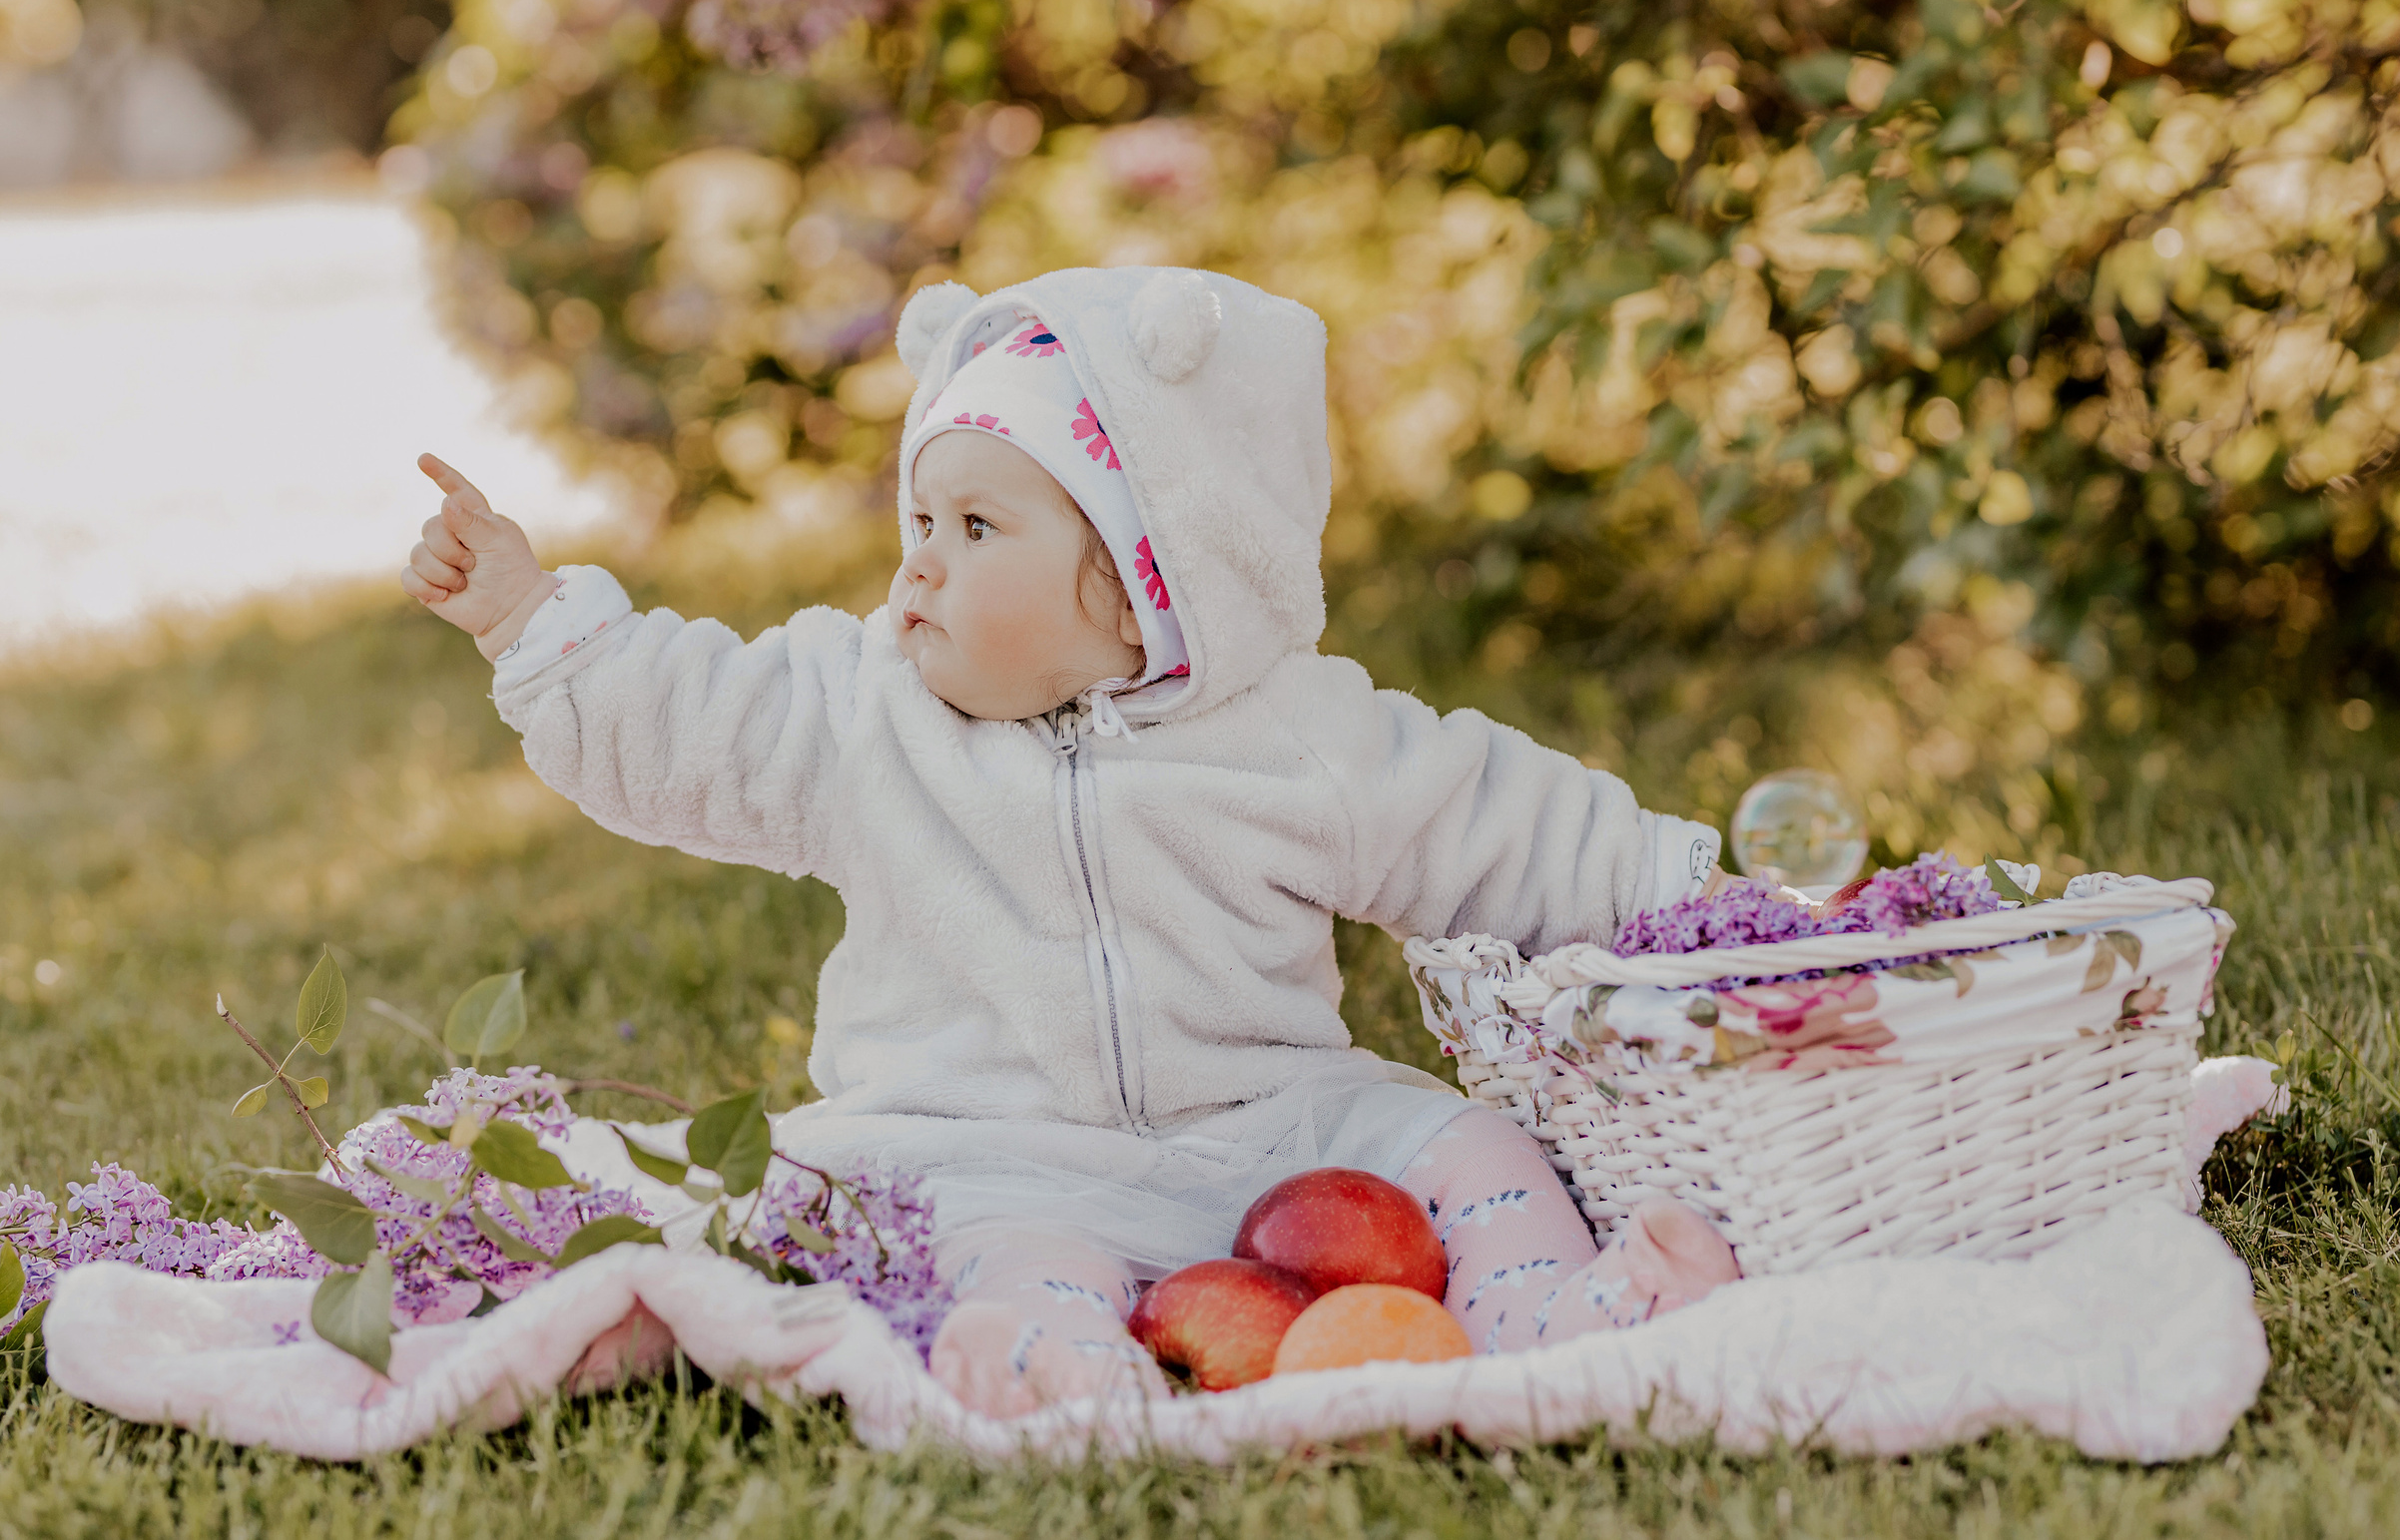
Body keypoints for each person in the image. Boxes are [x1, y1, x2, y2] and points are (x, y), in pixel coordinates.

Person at [401, 266, 1739, 1417]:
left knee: (1472, 1153)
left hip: (1266, 1120)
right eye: (918, 523)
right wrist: (534, 622)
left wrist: (1690, 900)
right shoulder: (865, 719)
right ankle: (1046, 1357)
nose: (919, 565)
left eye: (977, 529)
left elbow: (1491, 819)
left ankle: (1554, 1323)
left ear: (1146, 576)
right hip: (981, 1141)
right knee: (1003, 1245)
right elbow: (691, 724)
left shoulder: (1288, 738)